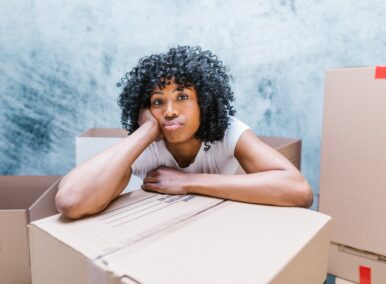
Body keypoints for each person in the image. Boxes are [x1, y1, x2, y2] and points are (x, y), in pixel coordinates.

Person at [55, 46, 313, 219]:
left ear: (204, 102)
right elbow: (70, 201)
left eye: (182, 97)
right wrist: (145, 131)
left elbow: (299, 191)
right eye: (157, 101)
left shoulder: (228, 131)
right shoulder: (146, 142)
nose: (169, 111)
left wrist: (186, 181)